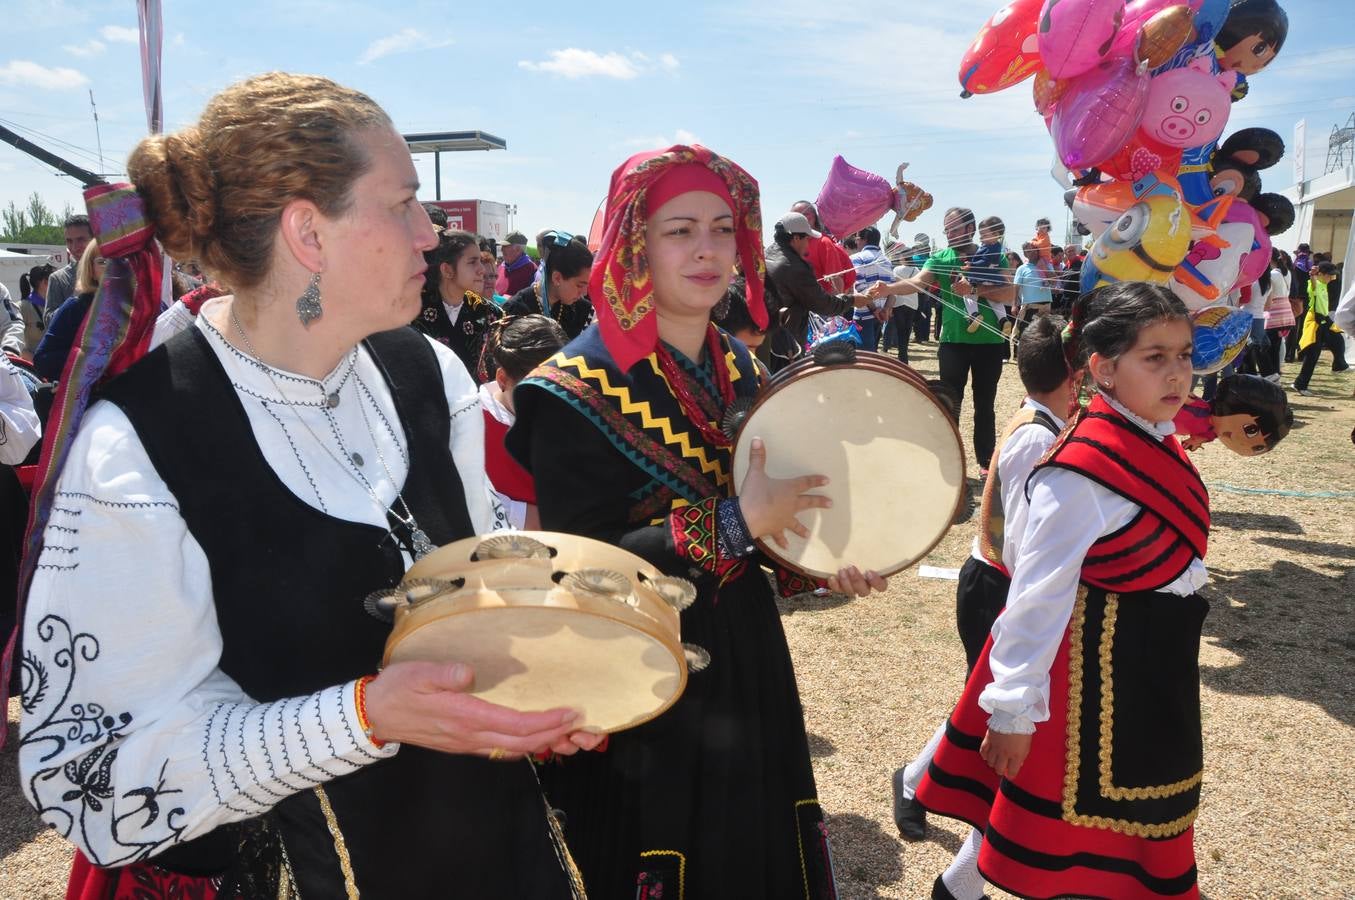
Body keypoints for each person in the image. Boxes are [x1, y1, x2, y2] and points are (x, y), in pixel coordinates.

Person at [18, 72, 600, 900]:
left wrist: (538, 682)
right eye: (402, 204)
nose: (429, 234)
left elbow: (474, 593)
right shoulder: (137, 447)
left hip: (493, 848)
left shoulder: (426, 371)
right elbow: (90, 780)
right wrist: (362, 717)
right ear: (307, 233)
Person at [507, 144, 888, 900]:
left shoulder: (745, 371)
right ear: (634, 245)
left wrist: (819, 558)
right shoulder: (570, 389)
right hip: (638, 671)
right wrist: (738, 522)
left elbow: (769, 519)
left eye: (721, 228)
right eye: (679, 231)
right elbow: (581, 567)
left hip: (746, 647)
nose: (707, 249)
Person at [917, 282, 1210, 900]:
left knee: (1134, 833)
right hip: (1094, 690)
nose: (1177, 373)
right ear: (1102, 369)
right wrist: (1013, 709)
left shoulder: (1152, 435)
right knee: (1099, 843)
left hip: (1150, 667)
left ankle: (956, 890)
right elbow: (1036, 594)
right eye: (1154, 357)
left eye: (1184, 354)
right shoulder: (1080, 471)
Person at [891, 314, 1074, 844]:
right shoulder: (1036, 437)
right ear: (1078, 376)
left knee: (982, 699)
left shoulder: (1038, 421)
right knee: (987, 703)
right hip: (997, 584)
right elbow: (1021, 537)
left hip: (996, 580)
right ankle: (920, 787)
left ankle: (917, 783)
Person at [870, 207, 1014, 476]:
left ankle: (986, 463)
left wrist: (975, 289)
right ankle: (951, 463)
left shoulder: (996, 255)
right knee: (949, 404)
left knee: (985, 405)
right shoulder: (940, 258)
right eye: (947, 229)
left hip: (989, 343)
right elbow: (917, 282)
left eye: (954, 229)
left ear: (970, 229)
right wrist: (889, 288)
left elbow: (1009, 294)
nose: (949, 234)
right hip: (953, 343)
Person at [479, 315, 568, 530]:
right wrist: (526, 515)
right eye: (535, 394)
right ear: (502, 379)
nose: (549, 406)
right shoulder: (473, 424)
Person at [764, 211, 872, 370]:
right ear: (796, 238)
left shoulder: (767, 255)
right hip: (784, 346)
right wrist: (853, 300)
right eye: (807, 239)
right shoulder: (794, 267)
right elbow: (823, 304)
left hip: (765, 340)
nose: (808, 245)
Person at [411, 229, 503, 380]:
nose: (482, 270)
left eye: (480, 261)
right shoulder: (413, 312)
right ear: (447, 270)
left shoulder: (490, 314)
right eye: (472, 262)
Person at [32, 241, 104, 382]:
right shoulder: (77, 307)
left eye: (122, 259)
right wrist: (94, 356)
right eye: (103, 262)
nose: (114, 267)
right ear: (91, 270)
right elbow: (42, 361)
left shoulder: (146, 305)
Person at [502, 232, 595, 340]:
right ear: (557, 278)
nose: (584, 292)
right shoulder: (515, 311)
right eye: (579, 285)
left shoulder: (584, 311)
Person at [1293, 261, 1348, 395]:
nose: (1331, 277)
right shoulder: (1315, 284)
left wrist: (1328, 270)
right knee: (1313, 354)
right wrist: (1313, 275)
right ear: (1321, 274)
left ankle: (1339, 365)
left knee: (1338, 340)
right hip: (1315, 320)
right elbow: (1313, 284)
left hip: (1324, 319)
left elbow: (1334, 275)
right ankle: (1300, 385)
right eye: (1328, 275)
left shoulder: (1325, 283)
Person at [791, 200, 857, 293]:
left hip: (819, 300)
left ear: (814, 217)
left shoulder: (823, 242)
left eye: (805, 214)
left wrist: (838, 300)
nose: (798, 219)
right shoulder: (791, 244)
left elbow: (836, 279)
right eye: (794, 217)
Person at [849, 226, 895, 351]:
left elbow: (860, 287)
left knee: (863, 356)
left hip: (864, 315)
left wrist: (875, 309)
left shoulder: (857, 258)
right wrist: (886, 309)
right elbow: (892, 290)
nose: (856, 242)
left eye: (857, 238)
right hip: (881, 316)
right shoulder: (887, 261)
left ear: (864, 239)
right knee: (873, 353)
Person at [962, 217, 1009, 335]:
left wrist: (971, 265)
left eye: (984, 234)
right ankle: (1003, 319)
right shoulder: (995, 247)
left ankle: (974, 315)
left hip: (981, 277)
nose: (981, 237)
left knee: (969, 295)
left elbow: (984, 262)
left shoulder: (990, 248)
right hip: (993, 279)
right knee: (995, 301)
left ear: (996, 234)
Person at [43, 213, 95, 310]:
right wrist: (74, 301)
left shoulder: (110, 272)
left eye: (80, 239)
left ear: (94, 239)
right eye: (69, 241)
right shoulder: (59, 279)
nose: (74, 247)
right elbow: (49, 317)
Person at [1261, 248, 1294, 380]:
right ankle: (1276, 371)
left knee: (1270, 346)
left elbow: (1268, 293)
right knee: (1277, 344)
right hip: (1285, 311)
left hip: (1274, 312)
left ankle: (1273, 373)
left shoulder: (1272, 274)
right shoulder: (1287, 272)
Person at [1012, 240, 1054, 342]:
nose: (1034, 252)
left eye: (1035, 249)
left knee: (1043, 335)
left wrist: (1044, 268)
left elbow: (1054, 281)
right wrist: (1014, 305)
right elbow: (1016, 287)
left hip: (1046, 306)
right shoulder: (1022, 269)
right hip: (1030, 307)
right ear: (1025, 254)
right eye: (1030, 251)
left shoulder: (1047, 264)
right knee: (1026, 334)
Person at [19, 263, 55, 358]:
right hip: (32, 364)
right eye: (56, 280)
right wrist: (32, 360)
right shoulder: (23, 307)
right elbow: (13, 341)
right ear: (44, 282)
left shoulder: (56, 305)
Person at [496, 231, 538, 296]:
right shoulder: (501, 267)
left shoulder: (532, 270)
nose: (501, 249)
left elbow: (534, 297)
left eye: (505, 246)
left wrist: (512, 300)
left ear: (518, 249)